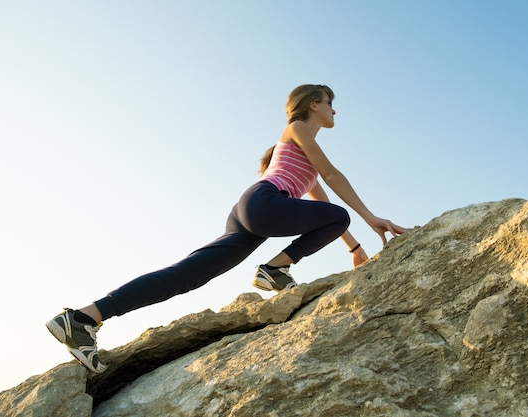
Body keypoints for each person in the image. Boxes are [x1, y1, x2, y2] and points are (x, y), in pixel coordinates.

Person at [46, 84, 407, 373]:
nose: (334, 110)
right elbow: (332, 180)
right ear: (313, 104)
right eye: (330, 102)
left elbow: (321, 208)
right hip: (264, 202)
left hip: (252, 210)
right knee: (340, 214)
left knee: (186, 276)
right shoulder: (296, 128)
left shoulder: (303, 160)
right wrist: (370, 216)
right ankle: (275, 269)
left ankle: (81, 319)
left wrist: (354, 249)